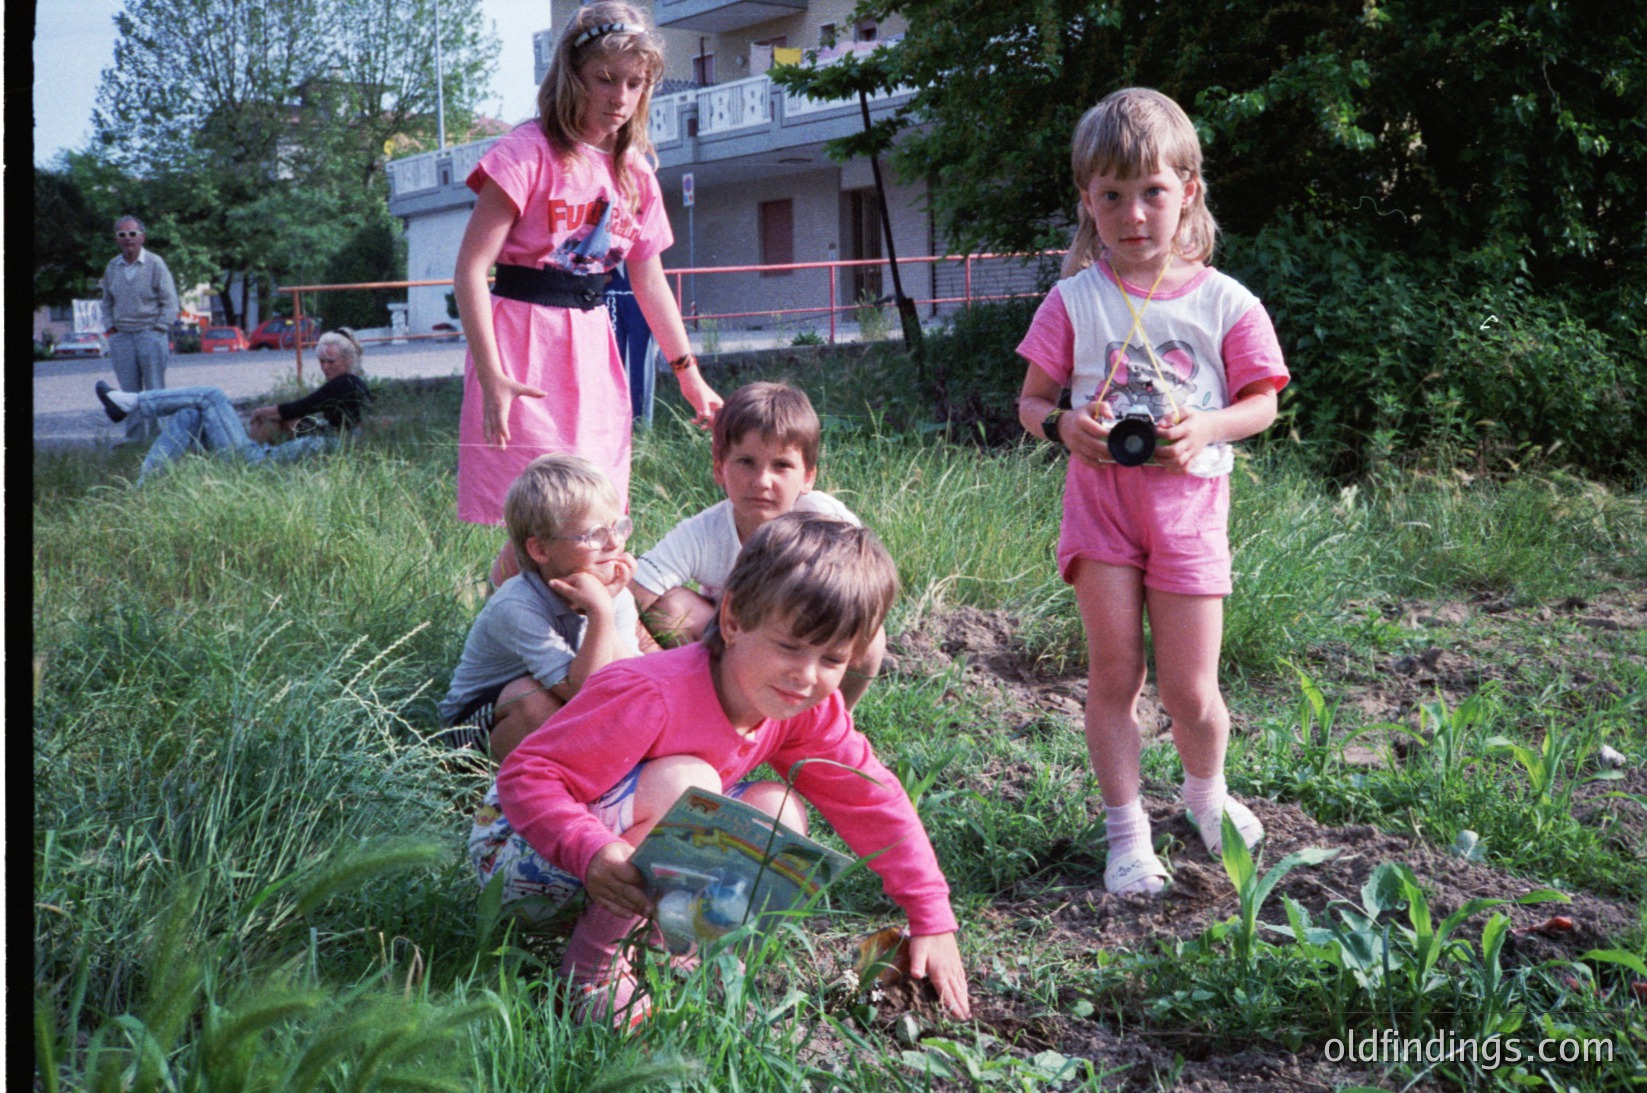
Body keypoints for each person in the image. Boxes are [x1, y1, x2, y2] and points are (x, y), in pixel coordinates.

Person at [471, 513, 971, 1026]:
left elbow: (871, 797)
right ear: (731, 619)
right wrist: (590, 850)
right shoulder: (652, 693)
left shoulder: (804, 709)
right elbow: (525, 776)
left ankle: (670, 951)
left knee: (777, 809)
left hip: (618, 861)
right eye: (790, 646)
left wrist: (931, 913)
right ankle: (593, 969)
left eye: (832, 659)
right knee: (691, 785)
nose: (806, 676)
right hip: (526, 860)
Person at [1014, 88, 1291, 897]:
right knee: (1113, 675)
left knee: (1190, 689)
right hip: (1099, 513)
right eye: (1111, 196)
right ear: (1086, 203)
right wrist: (1063, 425)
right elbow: (1031, 402)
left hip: (1190, 514)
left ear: (1188, 192)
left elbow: (1262, 402)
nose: (1132, 214)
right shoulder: (1073, 299)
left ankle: (1206, 796)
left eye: (1151, 192)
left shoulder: (1225, 301)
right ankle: (1127, 834)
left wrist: (1203, 427)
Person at [452, 2, 723, 588]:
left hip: (595, 356)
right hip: (524, 350)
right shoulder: (526, 153)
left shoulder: (635, 173)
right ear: (572, 75)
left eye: (634, 83)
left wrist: (688, 373)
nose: (619, 97)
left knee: (592, 516)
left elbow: (650, 283)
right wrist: (492, 373)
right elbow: (472, 269)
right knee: (540, 521)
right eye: (605, 79)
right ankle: (507, 640)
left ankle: (583, 641)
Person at [628, 381, 886, 708]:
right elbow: (631, 593)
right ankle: (703, 706)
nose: (762, 481)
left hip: (806, 643)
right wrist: (641, 656)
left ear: (808, 476)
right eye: (746, 462)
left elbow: (866, 591)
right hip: (734, 645)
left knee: (871, 637)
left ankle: (827, 723)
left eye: (781, 465)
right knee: (669, 606)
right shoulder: (701, 533)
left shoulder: (825, 517)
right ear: (719, 468)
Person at [438, 454, 654, 760]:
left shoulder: (613, 595)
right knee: (533, 699)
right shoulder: (517, 605)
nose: (613, 544)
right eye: (594, 534)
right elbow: (581, 693)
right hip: (471, 731)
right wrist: (600, 615)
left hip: (562, 707)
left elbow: (625, 681)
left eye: (618, 527)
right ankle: (493, 794)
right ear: (541, 549)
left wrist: (605, 606)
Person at [93, 328, 371, 485]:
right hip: (259, 456)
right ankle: (145, 484)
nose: (324, 367)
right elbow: (303, 422)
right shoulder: (335, 430)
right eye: (321, 361)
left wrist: (264, 413)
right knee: (190, 414)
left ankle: (132, 402)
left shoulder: (348, 384)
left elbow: (300, 406)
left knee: (210, 396)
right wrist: (287, 425)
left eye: (331, 361)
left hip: (255, 461)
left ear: (348, 360)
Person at [100, 216, 180, 442]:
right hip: (122, 337)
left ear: (142, 237)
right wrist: (111, 329)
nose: (128, 239)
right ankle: (134, 439)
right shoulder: (113, 266)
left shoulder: (155, 264)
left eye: (132, 234)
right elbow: (106, 301)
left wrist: (159, 328)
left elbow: (170, 301)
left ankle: (158, 440)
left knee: (154, 390)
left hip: (149, 334)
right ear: (116, 239)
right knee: (127, 393)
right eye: (122, 235)